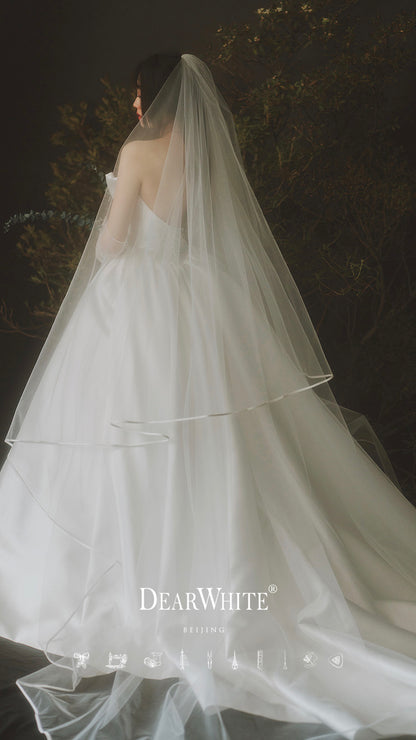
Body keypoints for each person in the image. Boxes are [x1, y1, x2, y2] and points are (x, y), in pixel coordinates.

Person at [0, 51, 416, 740]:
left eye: (138, 94)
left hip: (137, 304)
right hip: (198, 301)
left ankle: (124, 565)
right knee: (219, 434)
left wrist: (113, 219)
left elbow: (112, 245)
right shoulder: (206, 152)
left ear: (150, 96)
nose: (135, 105)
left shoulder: (137, 151)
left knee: (122, 428)